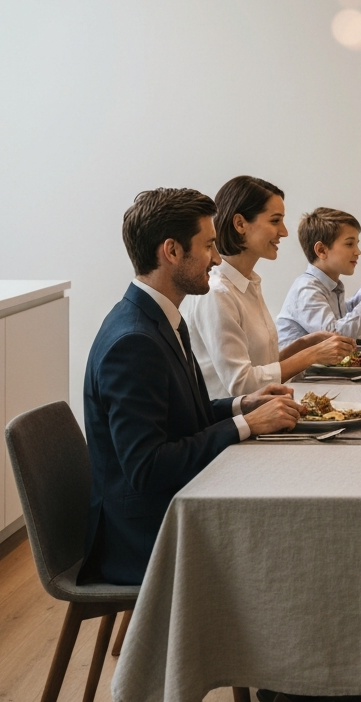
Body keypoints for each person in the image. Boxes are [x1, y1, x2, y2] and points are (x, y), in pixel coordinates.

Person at [82, 188, 305, 585]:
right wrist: (248, 425)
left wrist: (242, 405)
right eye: (208, 246)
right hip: (142, 536)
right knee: (289, 540)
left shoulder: (161, 317)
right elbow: (148, 468)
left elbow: (187, 418)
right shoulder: (133, 342)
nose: (218, 259)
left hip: (171, 507)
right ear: (171, 251)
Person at [184, 176, 356, 399]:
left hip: (268, 413)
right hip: (236, 424)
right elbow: (242, 385)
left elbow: (262, 368)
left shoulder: (248, 284)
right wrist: (312, 354)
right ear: (240, 224)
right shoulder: (218, 293)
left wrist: (302, 345)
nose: (284, 232)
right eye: (275, 221)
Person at [276, 207, 361, 345]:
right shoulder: (306, 289)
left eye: (357, 244)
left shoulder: (329, 285)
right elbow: (335, 336)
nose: (358, 251)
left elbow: (345, 316)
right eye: (349, 244)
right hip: (303, 367)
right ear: (321, 250)